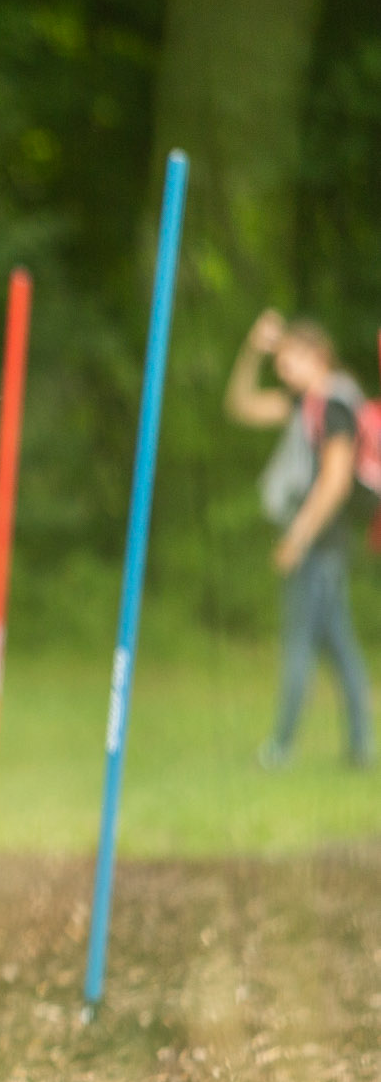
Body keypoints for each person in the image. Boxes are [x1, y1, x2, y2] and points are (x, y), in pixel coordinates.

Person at [227, 309, 373, 768]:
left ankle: (282, 748)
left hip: (320, 543)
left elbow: (336, 482)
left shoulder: (333, 407)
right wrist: (253, 348)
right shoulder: (303, 404)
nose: (284, 365)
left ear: (319, 356)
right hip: (320, 543)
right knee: (339, 645)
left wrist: (298, 537)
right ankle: (361, 747)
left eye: (292, 356)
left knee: (299, 644)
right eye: (281, 357)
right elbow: (241, 405)